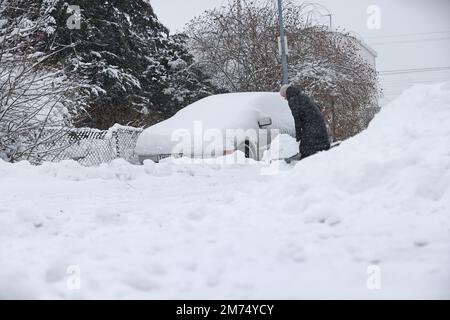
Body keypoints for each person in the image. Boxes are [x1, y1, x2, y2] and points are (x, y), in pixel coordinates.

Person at [280, 84, 330, 161]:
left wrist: (298, 135)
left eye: (284, 96)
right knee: (316, 142)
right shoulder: (302, 96)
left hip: (311, 124)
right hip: (318, 122)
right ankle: (321, 154)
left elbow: (297, 118)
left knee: (306, 146)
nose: (284, 98)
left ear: (286, 93)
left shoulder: (293, 100)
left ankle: (305, 162)